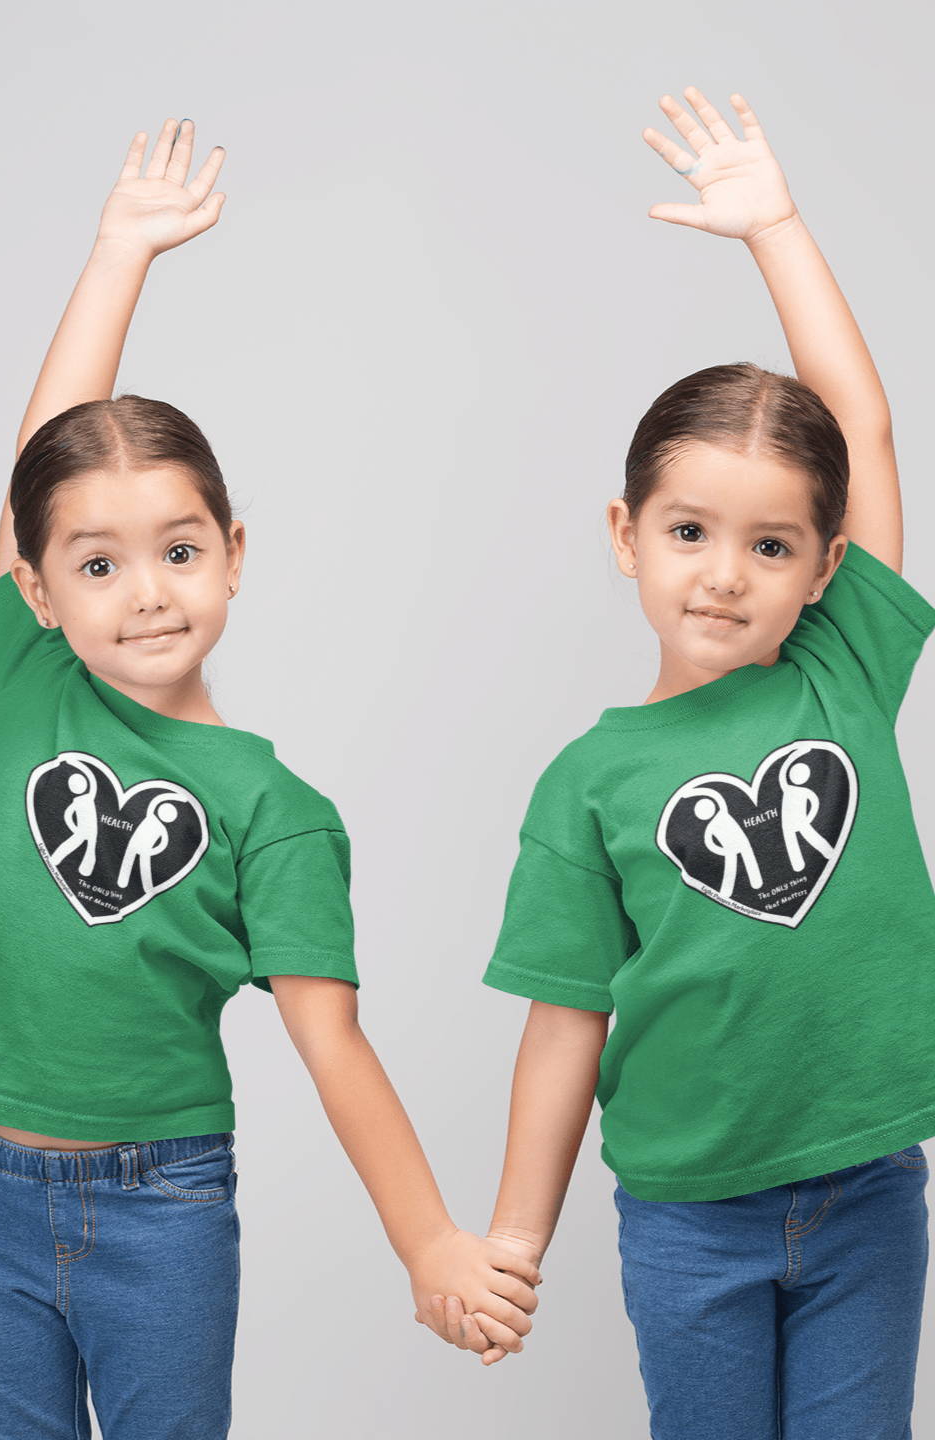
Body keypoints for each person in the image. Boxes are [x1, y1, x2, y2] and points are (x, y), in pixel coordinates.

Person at [0, 119, 538, 1440]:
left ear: (234, 551)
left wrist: (428, 1242)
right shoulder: (29, 681)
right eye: (98, 564)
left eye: (178, 548)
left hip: (161, 1206)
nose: (147, 591)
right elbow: (36, 464)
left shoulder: (278, 813)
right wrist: (121, 254)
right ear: (38, 589)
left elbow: (330, 1041)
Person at [434, 89, 935, 1437]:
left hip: (871, 1194)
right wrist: (514, 1241)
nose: (726, 575)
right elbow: (562, 1028)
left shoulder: (845, 672)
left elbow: (867, 430)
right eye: (691, 532)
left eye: (772, 546)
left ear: (829, 566)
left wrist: (774, 229)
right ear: (627, 532)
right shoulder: (589, 783)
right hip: (688, 1220)